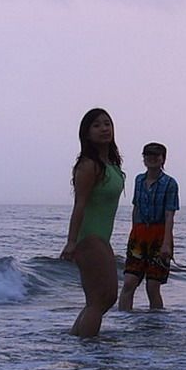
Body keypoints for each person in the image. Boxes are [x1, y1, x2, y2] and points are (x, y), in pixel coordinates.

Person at [60, 108, 124, 337]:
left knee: (100, 300)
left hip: (102, 238)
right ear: (86, 134)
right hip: (89, 238)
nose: (104, 128)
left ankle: (77, 341)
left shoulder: (111, 165)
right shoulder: (89, 165)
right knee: (101, 299)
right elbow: (80, 205)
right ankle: (89, 353)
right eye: (96, 125)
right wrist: (71, 242)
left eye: (107, 123)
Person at [118, 142, 179, 311]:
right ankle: (123, 321)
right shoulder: (139, 180)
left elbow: (169, 215)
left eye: (156, 155)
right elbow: (136, 208)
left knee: (152, 286)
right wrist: (133, 233)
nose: (152, 158)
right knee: (129, 282)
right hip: (139, 233)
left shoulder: (170, 183)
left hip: (159, 235)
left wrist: (167, 243)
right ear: (143, 158)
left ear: (163, 159)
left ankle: (155, 325)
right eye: (148, 155)